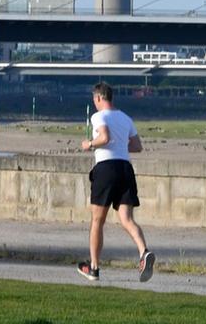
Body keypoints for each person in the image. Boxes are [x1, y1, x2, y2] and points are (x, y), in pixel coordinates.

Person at [78, 81, 155, 282]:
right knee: (127, 218)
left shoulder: (99, 116)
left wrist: (89, 144)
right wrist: (119, 145)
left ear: (99, 98)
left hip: (106, 168)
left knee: (97, 220)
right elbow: (137, 146)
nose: (94, 103)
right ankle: (143, 252)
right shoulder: (125, 118)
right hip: (125, 168)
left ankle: (93, 268)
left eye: (94, 100)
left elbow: (104, 136)